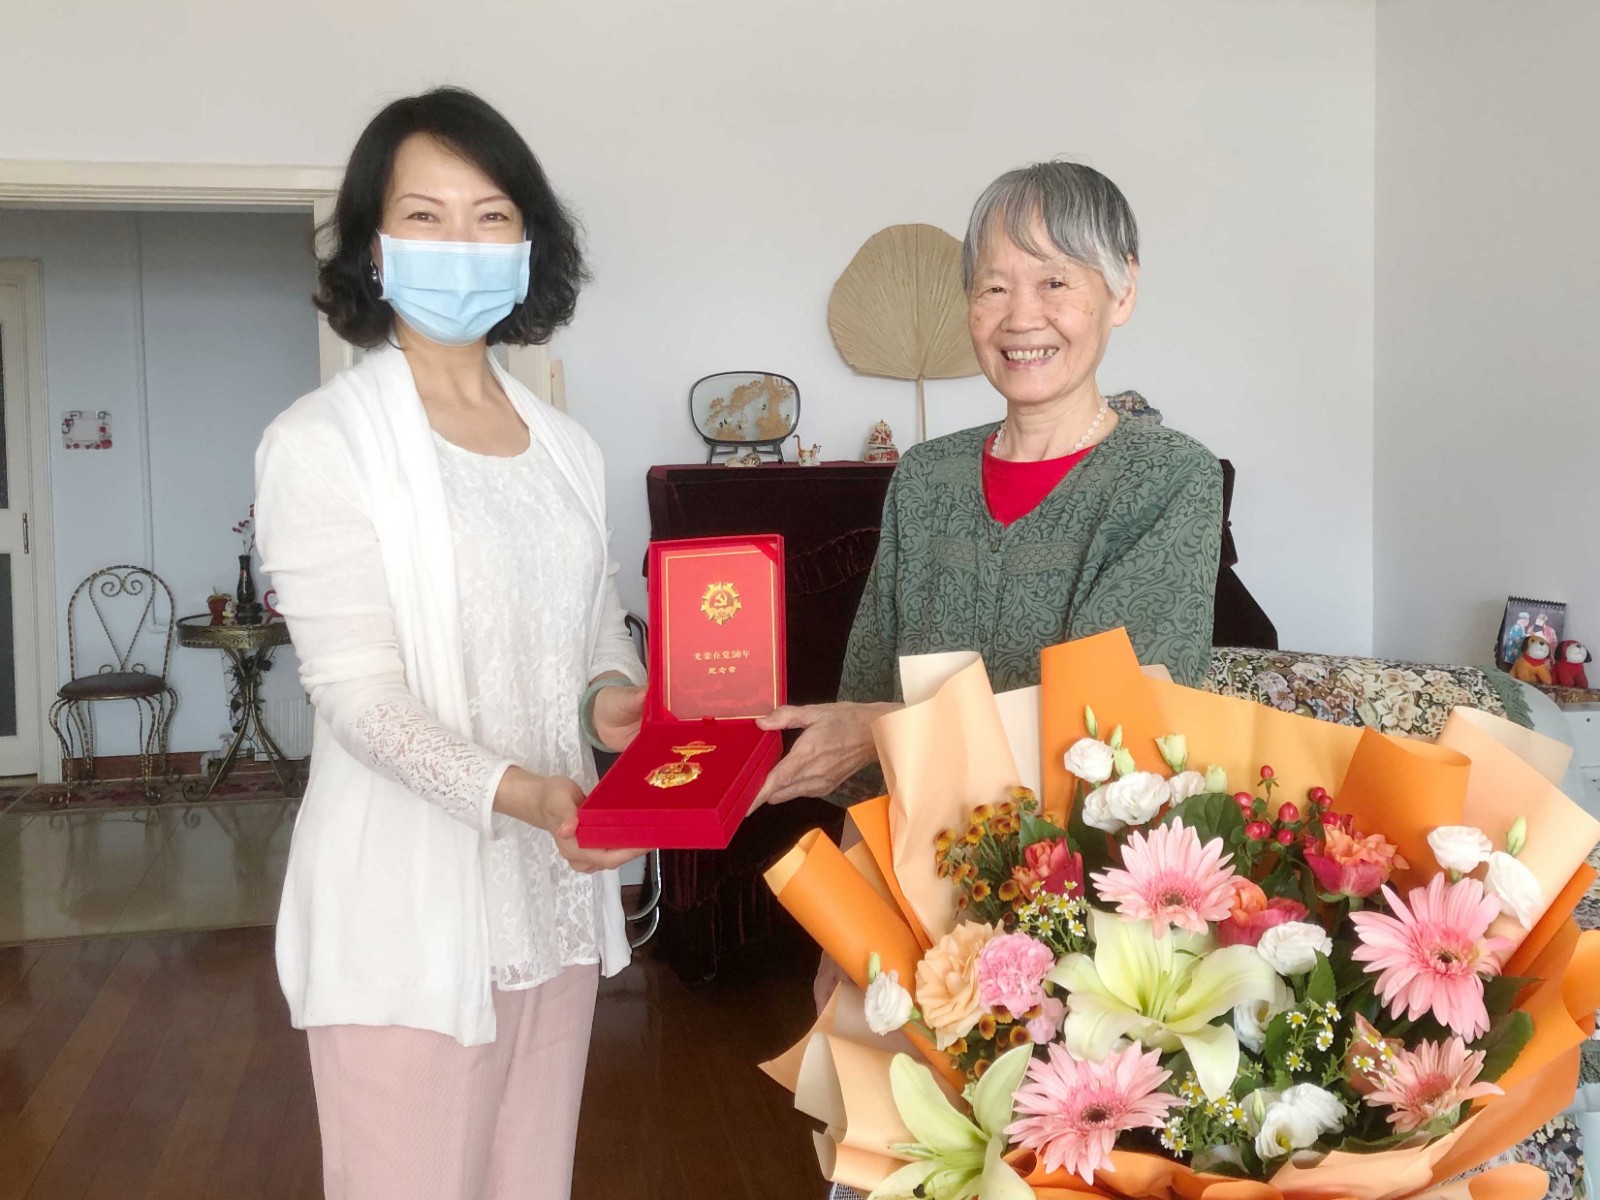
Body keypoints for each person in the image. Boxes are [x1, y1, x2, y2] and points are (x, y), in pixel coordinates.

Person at [255, 88, 647, 1200]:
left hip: (553, 901)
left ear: (528, 243)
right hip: (407, 920)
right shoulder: (321, 443)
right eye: (423, 217)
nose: (460, 244)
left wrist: (610, 702)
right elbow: (358, 696)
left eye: (490, 216)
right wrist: (526, 794)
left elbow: (593, 629)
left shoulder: (564, 446)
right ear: (374, 248)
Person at [754, 159, 1223, 818]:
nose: (1021, 318)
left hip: (1086, 867)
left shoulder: (1169, 478)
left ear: (1122, 292)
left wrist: (883, 727)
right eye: (994, 287)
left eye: (1054, 281)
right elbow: (864, 709)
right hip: (921, 857)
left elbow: (1118, 729)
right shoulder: (924, 478)